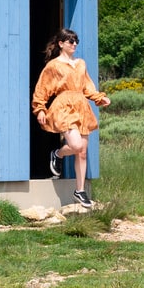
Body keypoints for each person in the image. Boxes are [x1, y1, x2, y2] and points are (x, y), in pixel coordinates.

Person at [31, 28, 110, 208]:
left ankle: (80, 191)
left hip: (81, 105)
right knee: (75, 145)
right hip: (63, 105)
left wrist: (99, 97)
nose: (74, 44)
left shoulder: (80, 64)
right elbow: (42, 88)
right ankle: (57, 154)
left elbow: (88, 86)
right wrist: (40, 109)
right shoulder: (53, 66)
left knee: (82, 151)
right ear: (61, 44)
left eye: (76, 41)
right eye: (70, 41)